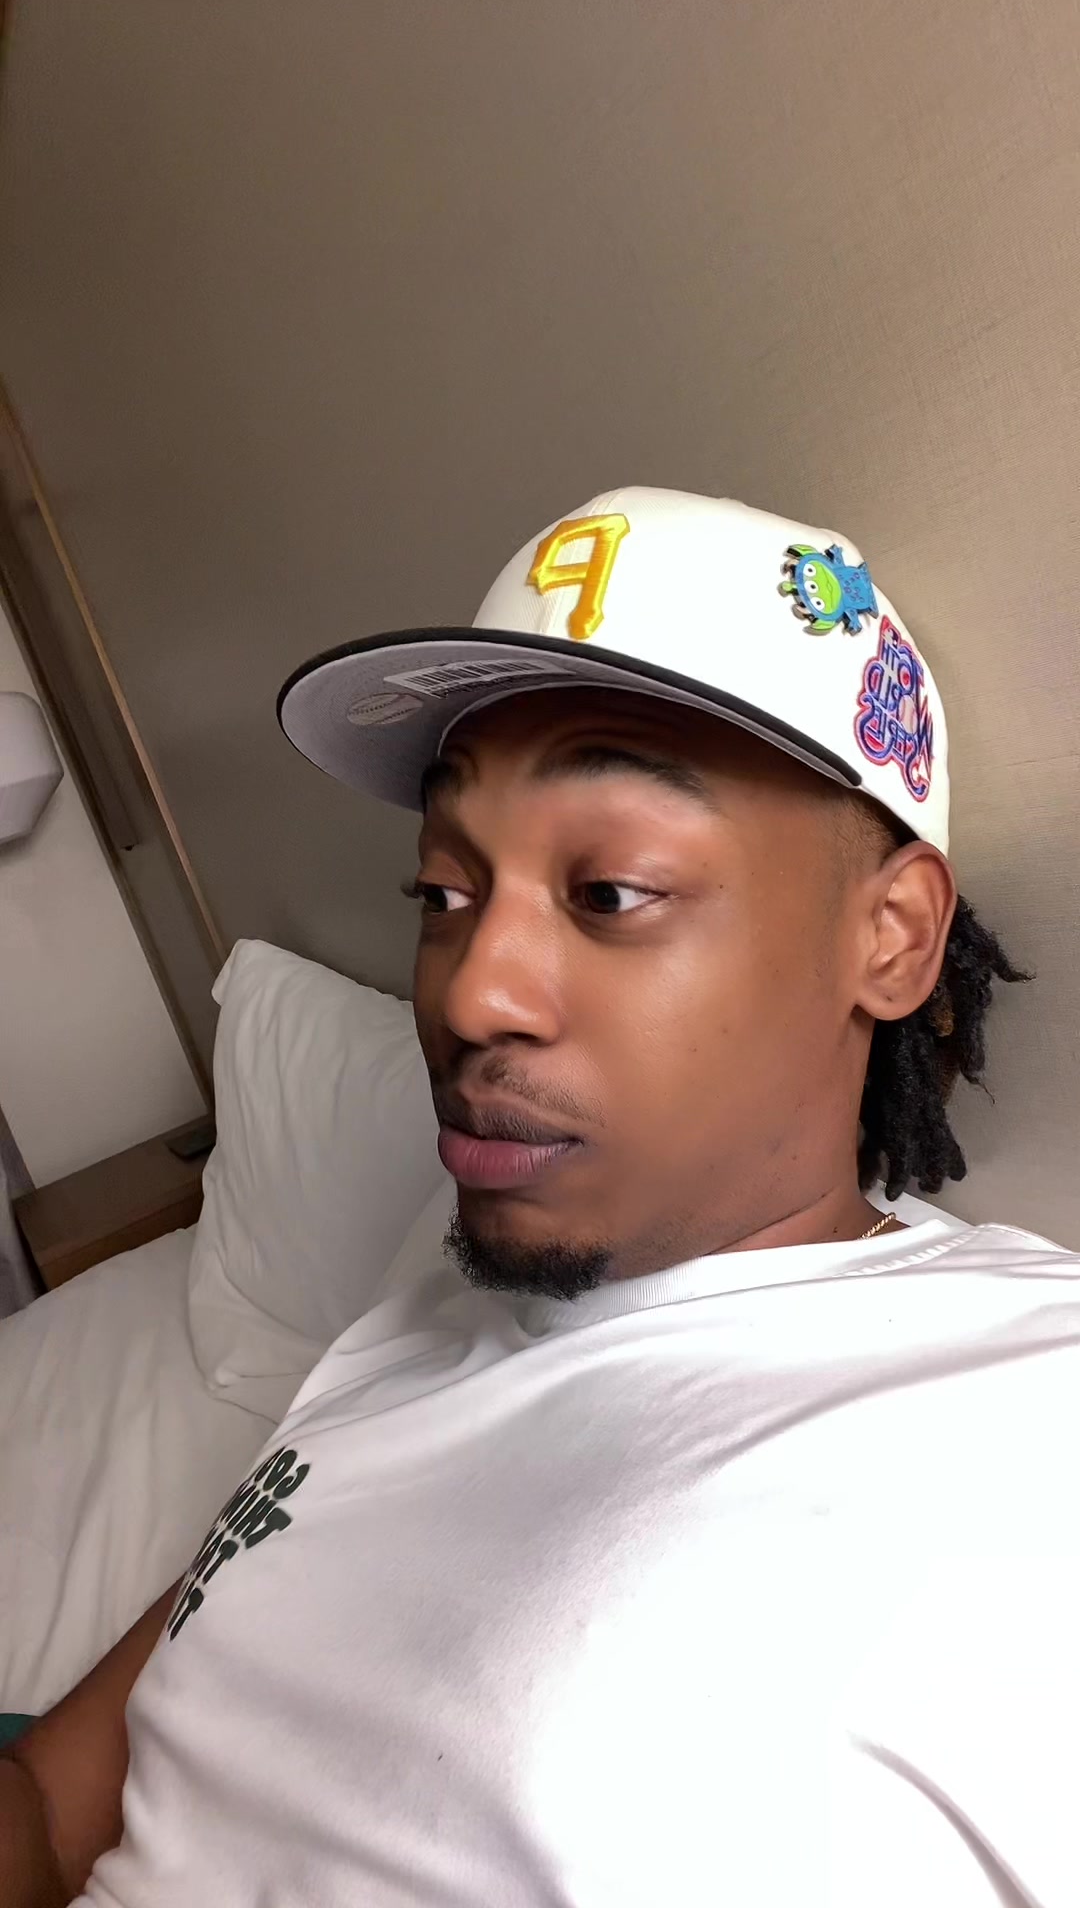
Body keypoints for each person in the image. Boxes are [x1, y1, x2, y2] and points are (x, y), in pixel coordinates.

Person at [3, 487, 1075, 1908]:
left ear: (890, 937)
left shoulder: (1024, 1405)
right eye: (443, 894)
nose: (467, 996)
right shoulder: (438, 1296)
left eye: (610, 891)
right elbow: (51, 1802)